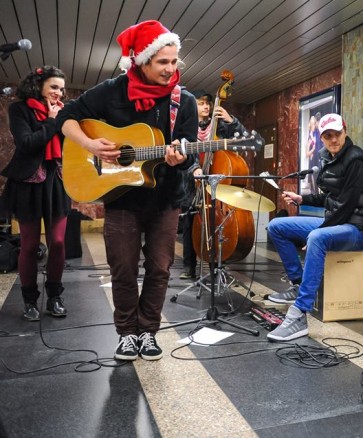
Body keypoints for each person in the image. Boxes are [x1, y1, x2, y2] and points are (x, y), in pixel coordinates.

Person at [57, 20, 197, 361]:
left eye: (174, 61)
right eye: (162, 62)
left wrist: (179, 159)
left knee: (161, 268)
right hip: (121, 197)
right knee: (122, 267)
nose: (170, 69)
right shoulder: (111, 91)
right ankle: (127, 333)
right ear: (142, 61)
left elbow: (188, 152)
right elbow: (66, 118)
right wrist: (91, 143)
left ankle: (148, 332)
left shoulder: (185, 101)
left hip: (166, 198)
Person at [266, 113, 363, 341]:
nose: (334, 140)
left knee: (317, 237)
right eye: (328, 136)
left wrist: (316, 234)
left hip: (359, 229)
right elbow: (330, 200)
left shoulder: (356, 160)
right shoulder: (328, 159)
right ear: (322, 138)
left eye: (337, 134)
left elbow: (346, 206)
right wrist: (302, 199)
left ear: (345, 131)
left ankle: (299, 313)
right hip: (338, 222)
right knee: (276, 226)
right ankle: (299, 284)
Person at [2, 66, 70, 321]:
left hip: (57, 181)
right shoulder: (19, 109)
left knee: (59, 241)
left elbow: (72, 145)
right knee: (29, 245)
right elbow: (27, 143)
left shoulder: (64, 112)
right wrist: (51, 122)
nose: (58, 92)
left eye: (61, 89)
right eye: (53, 86)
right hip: (29, 183)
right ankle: (29, 300)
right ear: (37, 85)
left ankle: (54, 296)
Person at [179, 90, 247, 280]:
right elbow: (183, 153)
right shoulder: (187, 127)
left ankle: (217, 267)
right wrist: (193, 168)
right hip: (191, 183)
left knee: (217, 225)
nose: (206, 106)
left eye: (208, 103)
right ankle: (189, 267)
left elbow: (243, 137)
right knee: (190, 224)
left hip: (216, 182)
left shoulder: (220, 127)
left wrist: (230, 119)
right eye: (201, 103)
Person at [304, 114, 321, 193]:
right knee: (313, 176)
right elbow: (307, 153)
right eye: (312, 123)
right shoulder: (310, 136)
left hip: (317, 157)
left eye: (314, 123)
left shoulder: (317, 133)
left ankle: (317, 192)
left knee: (317, 176)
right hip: (312, 158)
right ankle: (314, 192)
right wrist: (312, 150)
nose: (314, 124)